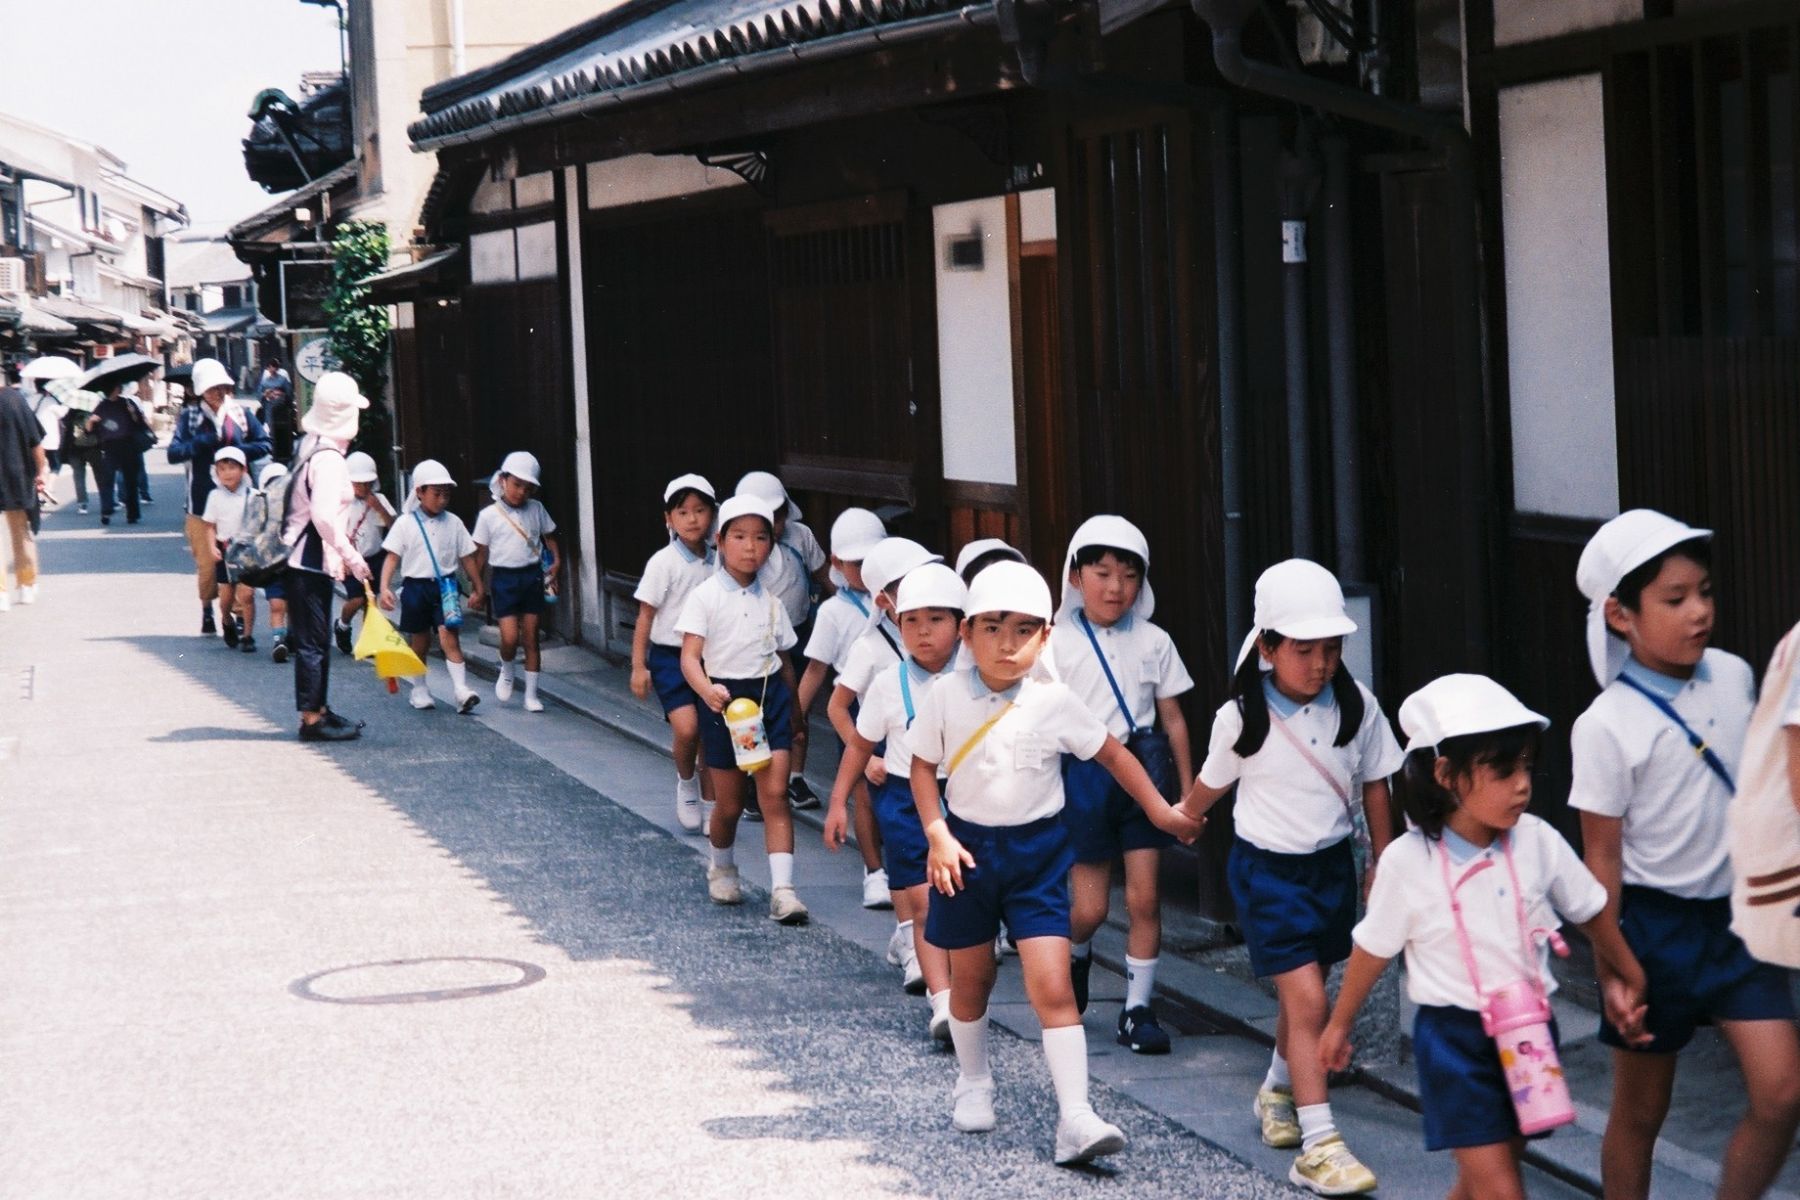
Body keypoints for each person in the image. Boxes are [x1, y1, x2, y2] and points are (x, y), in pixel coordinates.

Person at [906, 561, 1199, 1164]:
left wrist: (1163, 811)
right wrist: (936, 833)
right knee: (973, 980)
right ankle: (975, 1079)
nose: (1006, 643)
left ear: (1045, 636)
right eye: (991, 627)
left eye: (1023, 629)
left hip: (1038, 858)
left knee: (1053, 985)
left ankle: (1076, 1116)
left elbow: (1114, 755)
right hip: (966, 856)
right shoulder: (945, 695)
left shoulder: (1055, 700)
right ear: (966, 633)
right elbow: (921, 768)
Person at [1320, 674, 1650, 1200]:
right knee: (1501, 1188)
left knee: (1486, 1178)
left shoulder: (1538, 841)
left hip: (1530, 1032)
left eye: (1526, 767)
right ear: (1446, 774)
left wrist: (1630, 976)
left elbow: (1593, 912)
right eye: (1503, 770)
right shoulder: (1409, 862)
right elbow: (1372, 949)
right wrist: (1338, 1024)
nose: (1522, 784)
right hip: (1453, 1043)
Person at [1569, 510, 1800, 1200]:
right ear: (1619, 614)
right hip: (1653, 931)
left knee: (1782, 1094)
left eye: (1704, 592)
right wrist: (1614, 968)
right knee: (1640, 1113)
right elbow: (1601, 862)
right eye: (1675, 599)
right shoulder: (1604, 726)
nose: (1699, 612)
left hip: (1737, 925)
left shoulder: (1731, 675)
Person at [1178, 558, 1402, 1196]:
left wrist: (1384, 859)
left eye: (1330, 649)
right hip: (1267, 872)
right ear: (1268, 648)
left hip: (1331, 866)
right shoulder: (1241, 718)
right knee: (1308, 1001)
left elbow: (1377, 782)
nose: (1320, 663)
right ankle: (1320, 1143)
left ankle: (1277, 1090)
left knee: (1308, 995)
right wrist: (1185, 818)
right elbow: (1210, 785)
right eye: (1303, 649)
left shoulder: (1356, 706)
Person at [1050, 515, 1194, 1055]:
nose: (1115, 587)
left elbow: (1173, 716)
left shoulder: (1155, 641)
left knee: (1145, 899)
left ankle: (1138, 1010)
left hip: (1144, 773)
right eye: (1102, 573)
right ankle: (1078, 952)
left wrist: (1184, 790)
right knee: (1088, 909)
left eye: (1129, 576)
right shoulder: (1055, 642)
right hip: (1085, 775)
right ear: (1074, 577)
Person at [825, 562, 966, 1040]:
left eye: (936, 620)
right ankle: (942, 1002)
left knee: (965, 901)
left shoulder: (976, 676)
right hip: (906, 799)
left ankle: (963, 990)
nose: (923, 632)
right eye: (911, 621)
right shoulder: (888, 683)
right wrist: (838, 801)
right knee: (924, 902)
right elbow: (860, 746)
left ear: (961, 625)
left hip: (966, 797)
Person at [675, 492, 807, 924]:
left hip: (769, 700)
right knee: (729, 804)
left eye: (760, 537)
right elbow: (690, 656)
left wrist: (796, 712)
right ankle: (722, 864)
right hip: (726, 705)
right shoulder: (706, 596)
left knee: (774, 797)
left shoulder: (772, 602)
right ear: (720, 540)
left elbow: (784, 658)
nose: (751, 547)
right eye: (739, 536)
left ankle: (784, 891)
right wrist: (707, 689)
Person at [829, 536, 942, 962]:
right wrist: (868, 758)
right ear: (884, 599)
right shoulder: (869, 646)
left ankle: (919, 938)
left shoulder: (947, 643)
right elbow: (838, 707)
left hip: (941, 766)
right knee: (906, 854)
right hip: (890, 760)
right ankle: (912, 941)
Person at [798, 507, 891, 907]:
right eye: (857, 562)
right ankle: (874, 870)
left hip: (900, 707)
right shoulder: (833, 612)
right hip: (854, 708)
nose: (866, 569)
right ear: (836, 563)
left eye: (874, 559)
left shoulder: (899, 600)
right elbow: (817, 669)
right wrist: (793, 720)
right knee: (864, 792)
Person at [281, 371, 373, 742]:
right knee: (313, 643)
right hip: (307, 562)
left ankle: (317, 710)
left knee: (314, 640)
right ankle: (312, 719)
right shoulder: (330, 460)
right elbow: (321, 516)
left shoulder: (310, 445)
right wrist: (351, 557)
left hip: (300, 559)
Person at [735, 470, 829, 812]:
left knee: (796, 709)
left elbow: (822, 573)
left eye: (778, 514)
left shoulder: (800, 536)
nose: (774, 524)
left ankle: (795, 777)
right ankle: (752, 778)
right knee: (755, 707)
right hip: (755, 638)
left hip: (799, 631)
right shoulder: (743, 543)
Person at [630, 473, 718, 832]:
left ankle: (714, 804)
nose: (693, 519)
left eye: (700, 510)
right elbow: (646, 615)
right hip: (670, 656)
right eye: (683, 512)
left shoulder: (720, 561)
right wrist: (639, 666)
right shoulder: (663, 562)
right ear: (669, 519)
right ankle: (686, 783)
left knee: (713, 734)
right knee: (687, 728)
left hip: (712, 658)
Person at [167, 358, 270, 636]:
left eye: (221, 387)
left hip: (240, 500)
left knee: (240, 562)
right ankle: (207, 610)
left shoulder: (240, 414)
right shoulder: (189, 417)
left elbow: (264, 444)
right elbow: (173, 453)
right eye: (211, 389)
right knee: (208, 563)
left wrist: (237, 454)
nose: (217, 393)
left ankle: (237, 615)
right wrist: (200, 443)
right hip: (202, 500)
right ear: (200, 391)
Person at [379, 459, 485, 713]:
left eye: (446, 494)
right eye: (436, 494)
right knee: (421, 639)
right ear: (419, 492)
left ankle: (461, 690)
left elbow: (467, 557)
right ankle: (419, 688)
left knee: (450, 635)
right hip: (415, 587)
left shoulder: (455, 523)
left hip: (446, 587)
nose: (442, 499)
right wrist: (384, 586)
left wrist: (478, 587)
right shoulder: (405, 523)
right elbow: (392, 556)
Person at [473, 451, 561, 713]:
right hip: (504, 579)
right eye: (516, 485)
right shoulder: (489, 515)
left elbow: (550, 537)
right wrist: (477, 588)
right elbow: (480, 552)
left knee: (532, 636)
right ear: (503, 480)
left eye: (527, 487)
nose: (521, 492)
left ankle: (532, 694)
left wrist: (556, 562)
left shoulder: (536, 509)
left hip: (532, 575)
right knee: (510, 637)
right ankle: (507, 667)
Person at [334, 451, 395, 656]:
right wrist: (342, 560)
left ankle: (370, 640)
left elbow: (393, 527)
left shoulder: (379, 500)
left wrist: (379, 509)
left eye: (367, 483)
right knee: (357, 599)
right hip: (351, 558)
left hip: (375, 556)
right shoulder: (342, 504)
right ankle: (342, 625)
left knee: (371, 600)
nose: (363, 488)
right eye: (358, 483)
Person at [200, 446, 258, 652]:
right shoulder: (215, 496)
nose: (227, 473)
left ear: (243, 470)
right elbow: (209, 525)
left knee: (247, 594)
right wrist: (212, 547)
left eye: (232, 468)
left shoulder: (253, 495)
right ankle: (226, 619)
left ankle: (248, 635)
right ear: (216, 473)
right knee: (226, 595)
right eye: (222, 469)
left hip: (247, 550)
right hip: (225, 549)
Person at [0, 365, 47, 610]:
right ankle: (26, 585)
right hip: (17, 475)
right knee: (21, 532)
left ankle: (1, 594)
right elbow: (35, 441)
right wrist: (41, 471)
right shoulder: (16, 400)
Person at [89, 378, 152, 527]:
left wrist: (133, 414)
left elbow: (140, 423)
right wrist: (91, 421)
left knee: (131, 481)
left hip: (128, 444)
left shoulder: (127, 403)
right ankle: (106, 511)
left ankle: (132, 514)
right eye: (118, 386)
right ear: (114, 388)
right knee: (107, 480)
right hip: (110, 446)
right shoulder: (101, 406)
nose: (120, 388)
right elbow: (89, 430)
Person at [259, 463, 294, 661]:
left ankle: (291, 636)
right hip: (273, 568)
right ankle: (278, 640)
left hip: (295, 566)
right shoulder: (261, 511)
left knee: (294, 606)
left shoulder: (298, 510)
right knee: (277, 605)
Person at [58, 398, 100, 515]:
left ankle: (82, 503)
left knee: (78, 476)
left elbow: (64, 428)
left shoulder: (69, 412)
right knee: (100, 474)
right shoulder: (93, 409)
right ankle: (107, 500)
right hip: (92, 447)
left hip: (73, 447)